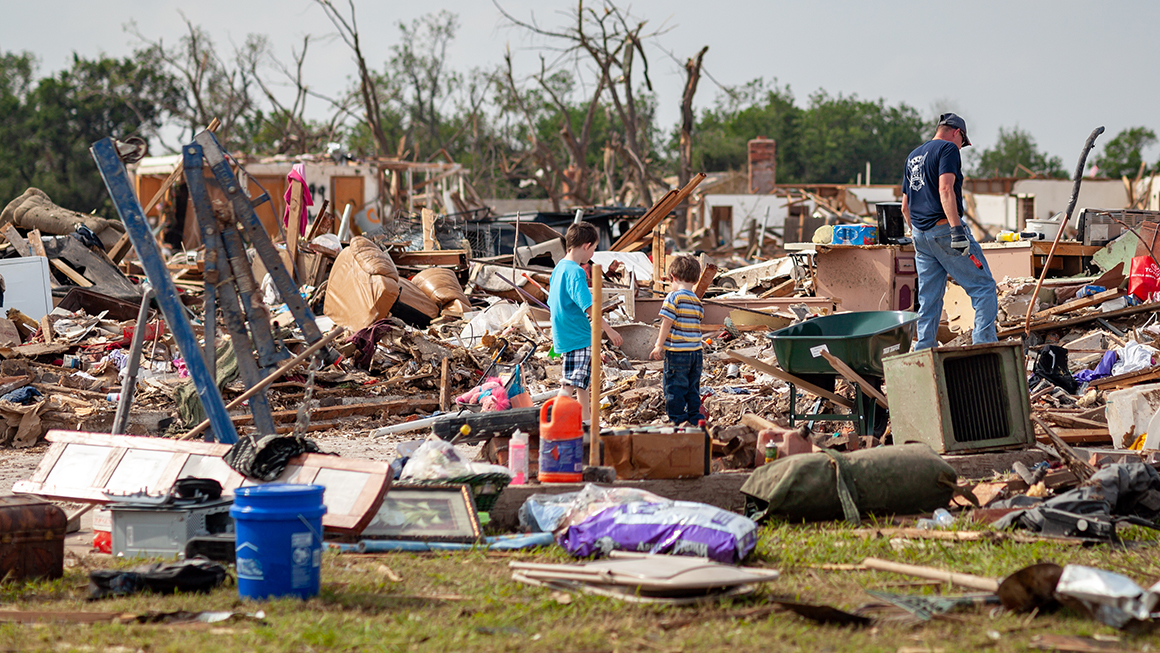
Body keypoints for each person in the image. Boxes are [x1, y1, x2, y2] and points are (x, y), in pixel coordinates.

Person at [901, 112, 998, 350]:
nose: (961, 148)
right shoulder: (948, 150)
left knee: (929, 299)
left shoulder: (913, 156)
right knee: (984, 288)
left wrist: (918, 234)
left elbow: (905, 206)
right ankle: (984, 348)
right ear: (957, 132)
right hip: (945, 229)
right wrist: (956, 230)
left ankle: (924, 350)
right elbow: (945, 189)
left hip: (921, 236)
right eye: (962, 143)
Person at [549, 222, 623, 417]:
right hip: (579, 336)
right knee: (570, 384)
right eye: (595, 248)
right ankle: (554, 419)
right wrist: (609, 330)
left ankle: (586, 422)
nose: (593, 254)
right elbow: (590, 307)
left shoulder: (558, 270)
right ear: (586, 246)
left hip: (563, 335)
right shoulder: (576, 272)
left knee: (581, 383)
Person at [649, 255, 705, 425]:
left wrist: (659, 345)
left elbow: (666, 323)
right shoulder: (696, 301)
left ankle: (678, 420)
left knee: (675, 387)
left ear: (673, 277)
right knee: (692, 387)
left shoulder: (673, 298)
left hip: (677, 353)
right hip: (696, 353)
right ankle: (695, 417)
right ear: (695, 280)